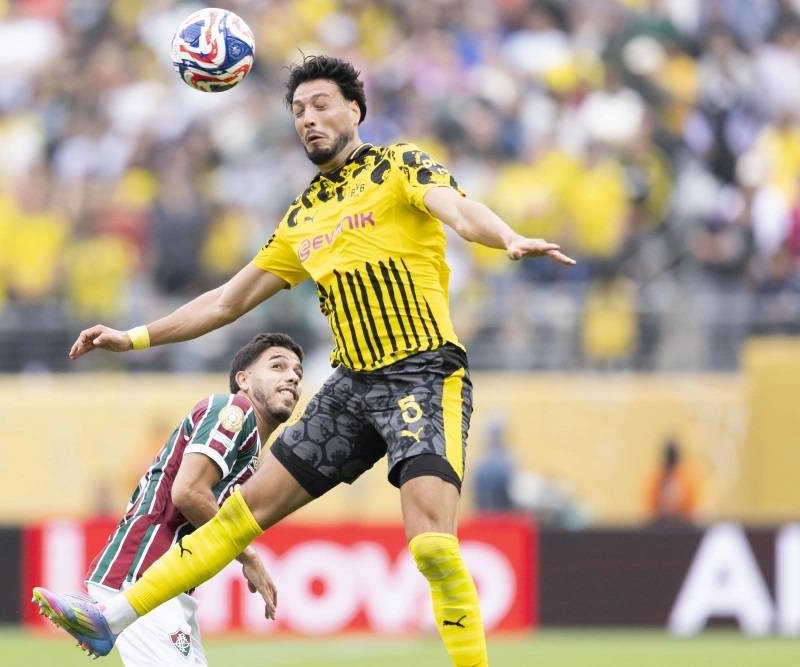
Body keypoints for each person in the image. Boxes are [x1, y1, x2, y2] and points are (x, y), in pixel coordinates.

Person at [35, 55, 575, 667]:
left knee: (432, 548)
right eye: (298, 111)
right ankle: (110, 619)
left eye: (321, 105)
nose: (308, 119)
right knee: (236, 517)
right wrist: (132, 337)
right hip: (350, 384)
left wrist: (505, 236)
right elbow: (225, 301)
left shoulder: (399, 164)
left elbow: (456, 209)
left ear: (355, 110)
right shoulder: (301, 217)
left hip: (423, 373)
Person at [33, 333, 303, 664]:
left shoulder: (250, 445)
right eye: (278, 366)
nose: (292, 377)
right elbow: (189, 492)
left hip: (162, 588)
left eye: (298, 372)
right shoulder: (235, 410)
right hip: (142, 576)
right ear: (243, 380)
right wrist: (248, 555)